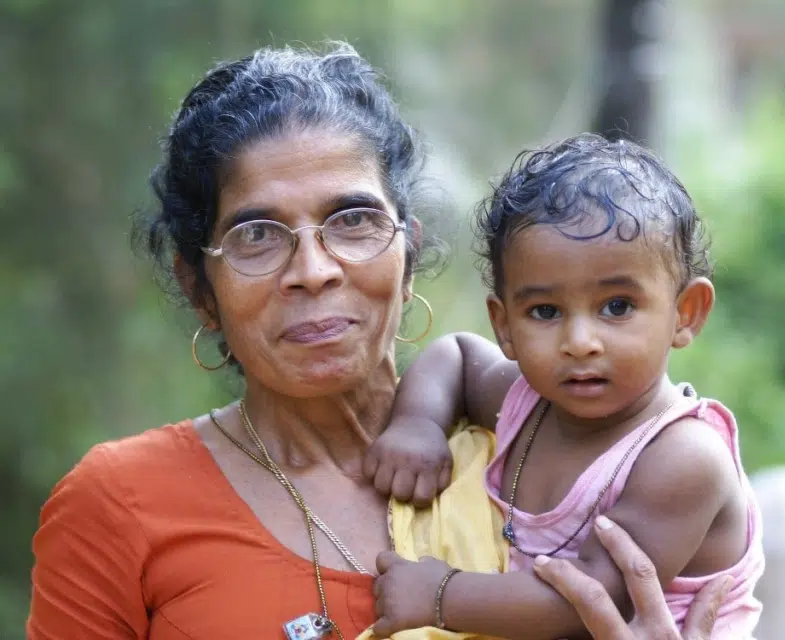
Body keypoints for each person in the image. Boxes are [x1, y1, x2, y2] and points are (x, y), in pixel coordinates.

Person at [26, 42, 727, 640]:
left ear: (408, 252)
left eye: (353, 220)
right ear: (200, 288)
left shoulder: (531, 448)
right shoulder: (120, 505)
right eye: (257, 235)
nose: (314, 270)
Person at [366, 134, 765, 638]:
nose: (580, 342)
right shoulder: (528, 404)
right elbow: (458, 354)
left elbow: (587, 597)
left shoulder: (683, 458)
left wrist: (442, 594)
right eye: (546, 312)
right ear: (506, 325)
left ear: (685, 313)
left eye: (617, 306)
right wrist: (417, 425)